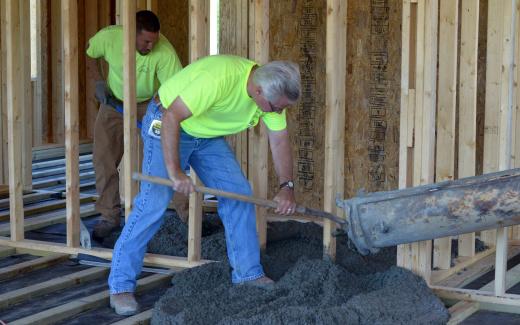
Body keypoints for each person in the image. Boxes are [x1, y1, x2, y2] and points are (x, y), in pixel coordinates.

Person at [108, 54, 301, 316]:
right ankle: (120, 285)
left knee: (240, 195)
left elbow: (279, 140)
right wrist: (176, 172)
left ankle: (248, 274)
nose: (278, 112)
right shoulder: (219, 79)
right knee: (153, 202)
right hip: (167, 120)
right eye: (275, 108)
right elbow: (172, 118)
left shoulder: (271, 95)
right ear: (258, 90)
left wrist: (286, 186)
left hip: (205, 135)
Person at [86, 10, 182, 240]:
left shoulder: (165, 52)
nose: (151, 46)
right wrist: (97, 81)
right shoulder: (109, 38)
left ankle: (187, 216)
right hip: (114, 103)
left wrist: (156, 108)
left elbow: (176, 89)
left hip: (148, 104)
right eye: (146, 41)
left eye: (154, 41)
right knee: (103, 158)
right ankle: (109, 216)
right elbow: (90, 53)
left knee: (168, 155)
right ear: (132, 33)